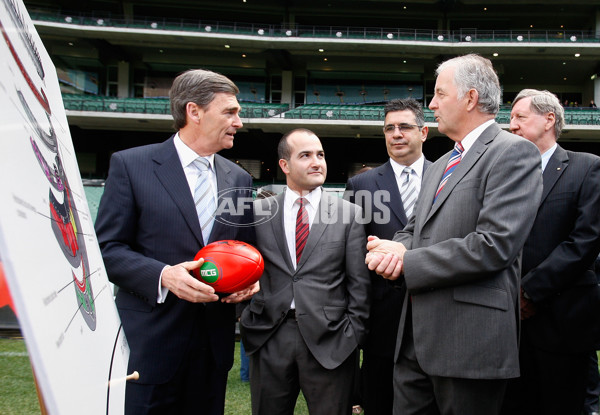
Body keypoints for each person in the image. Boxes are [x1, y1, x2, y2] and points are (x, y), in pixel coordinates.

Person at [364, 54, 543, 415]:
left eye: (440, 94)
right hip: (414, 340)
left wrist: (407, 260)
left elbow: (494, 246)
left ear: (471, 98)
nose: (431, 104)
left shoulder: (514, 153)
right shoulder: (442, 163)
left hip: (470, 344)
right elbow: (415, 229)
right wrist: (392, 248)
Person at [95, 69, 258, 415]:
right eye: (230, 112)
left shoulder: (240, 179)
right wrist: (163, 275)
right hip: (150, 344)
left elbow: (242, 251)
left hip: (212, 349)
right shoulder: (131, 165)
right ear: (194, 112)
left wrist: (246, 286)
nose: (239, 122)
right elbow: (107, 250)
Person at [240, 128, 371, 415]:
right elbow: (244, 270)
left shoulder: (348, 214)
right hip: (270, 336)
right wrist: (247, 316)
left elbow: (359, 285)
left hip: (332, 342)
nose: (317, 162)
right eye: (306, 155)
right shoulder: (259, 213)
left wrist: (352, 335)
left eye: (320, 155)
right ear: (284, 165)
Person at [499, 89, 600, 415]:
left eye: (519, 117)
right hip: (508, 327)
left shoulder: (588, 168)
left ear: (549, 120)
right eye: (510, 117)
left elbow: (584, 241)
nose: (511, 125)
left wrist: (530, 291)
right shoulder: (504, 176)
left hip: (563, 326)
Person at [344, 98, 431, 415]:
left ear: (423, 132)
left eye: (405, 127)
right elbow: (351, 256)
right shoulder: (361, 184)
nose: (396, 134)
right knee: (380, 400)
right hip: (382, 319)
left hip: (437, 312)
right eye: (389, 128)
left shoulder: (449, 178)